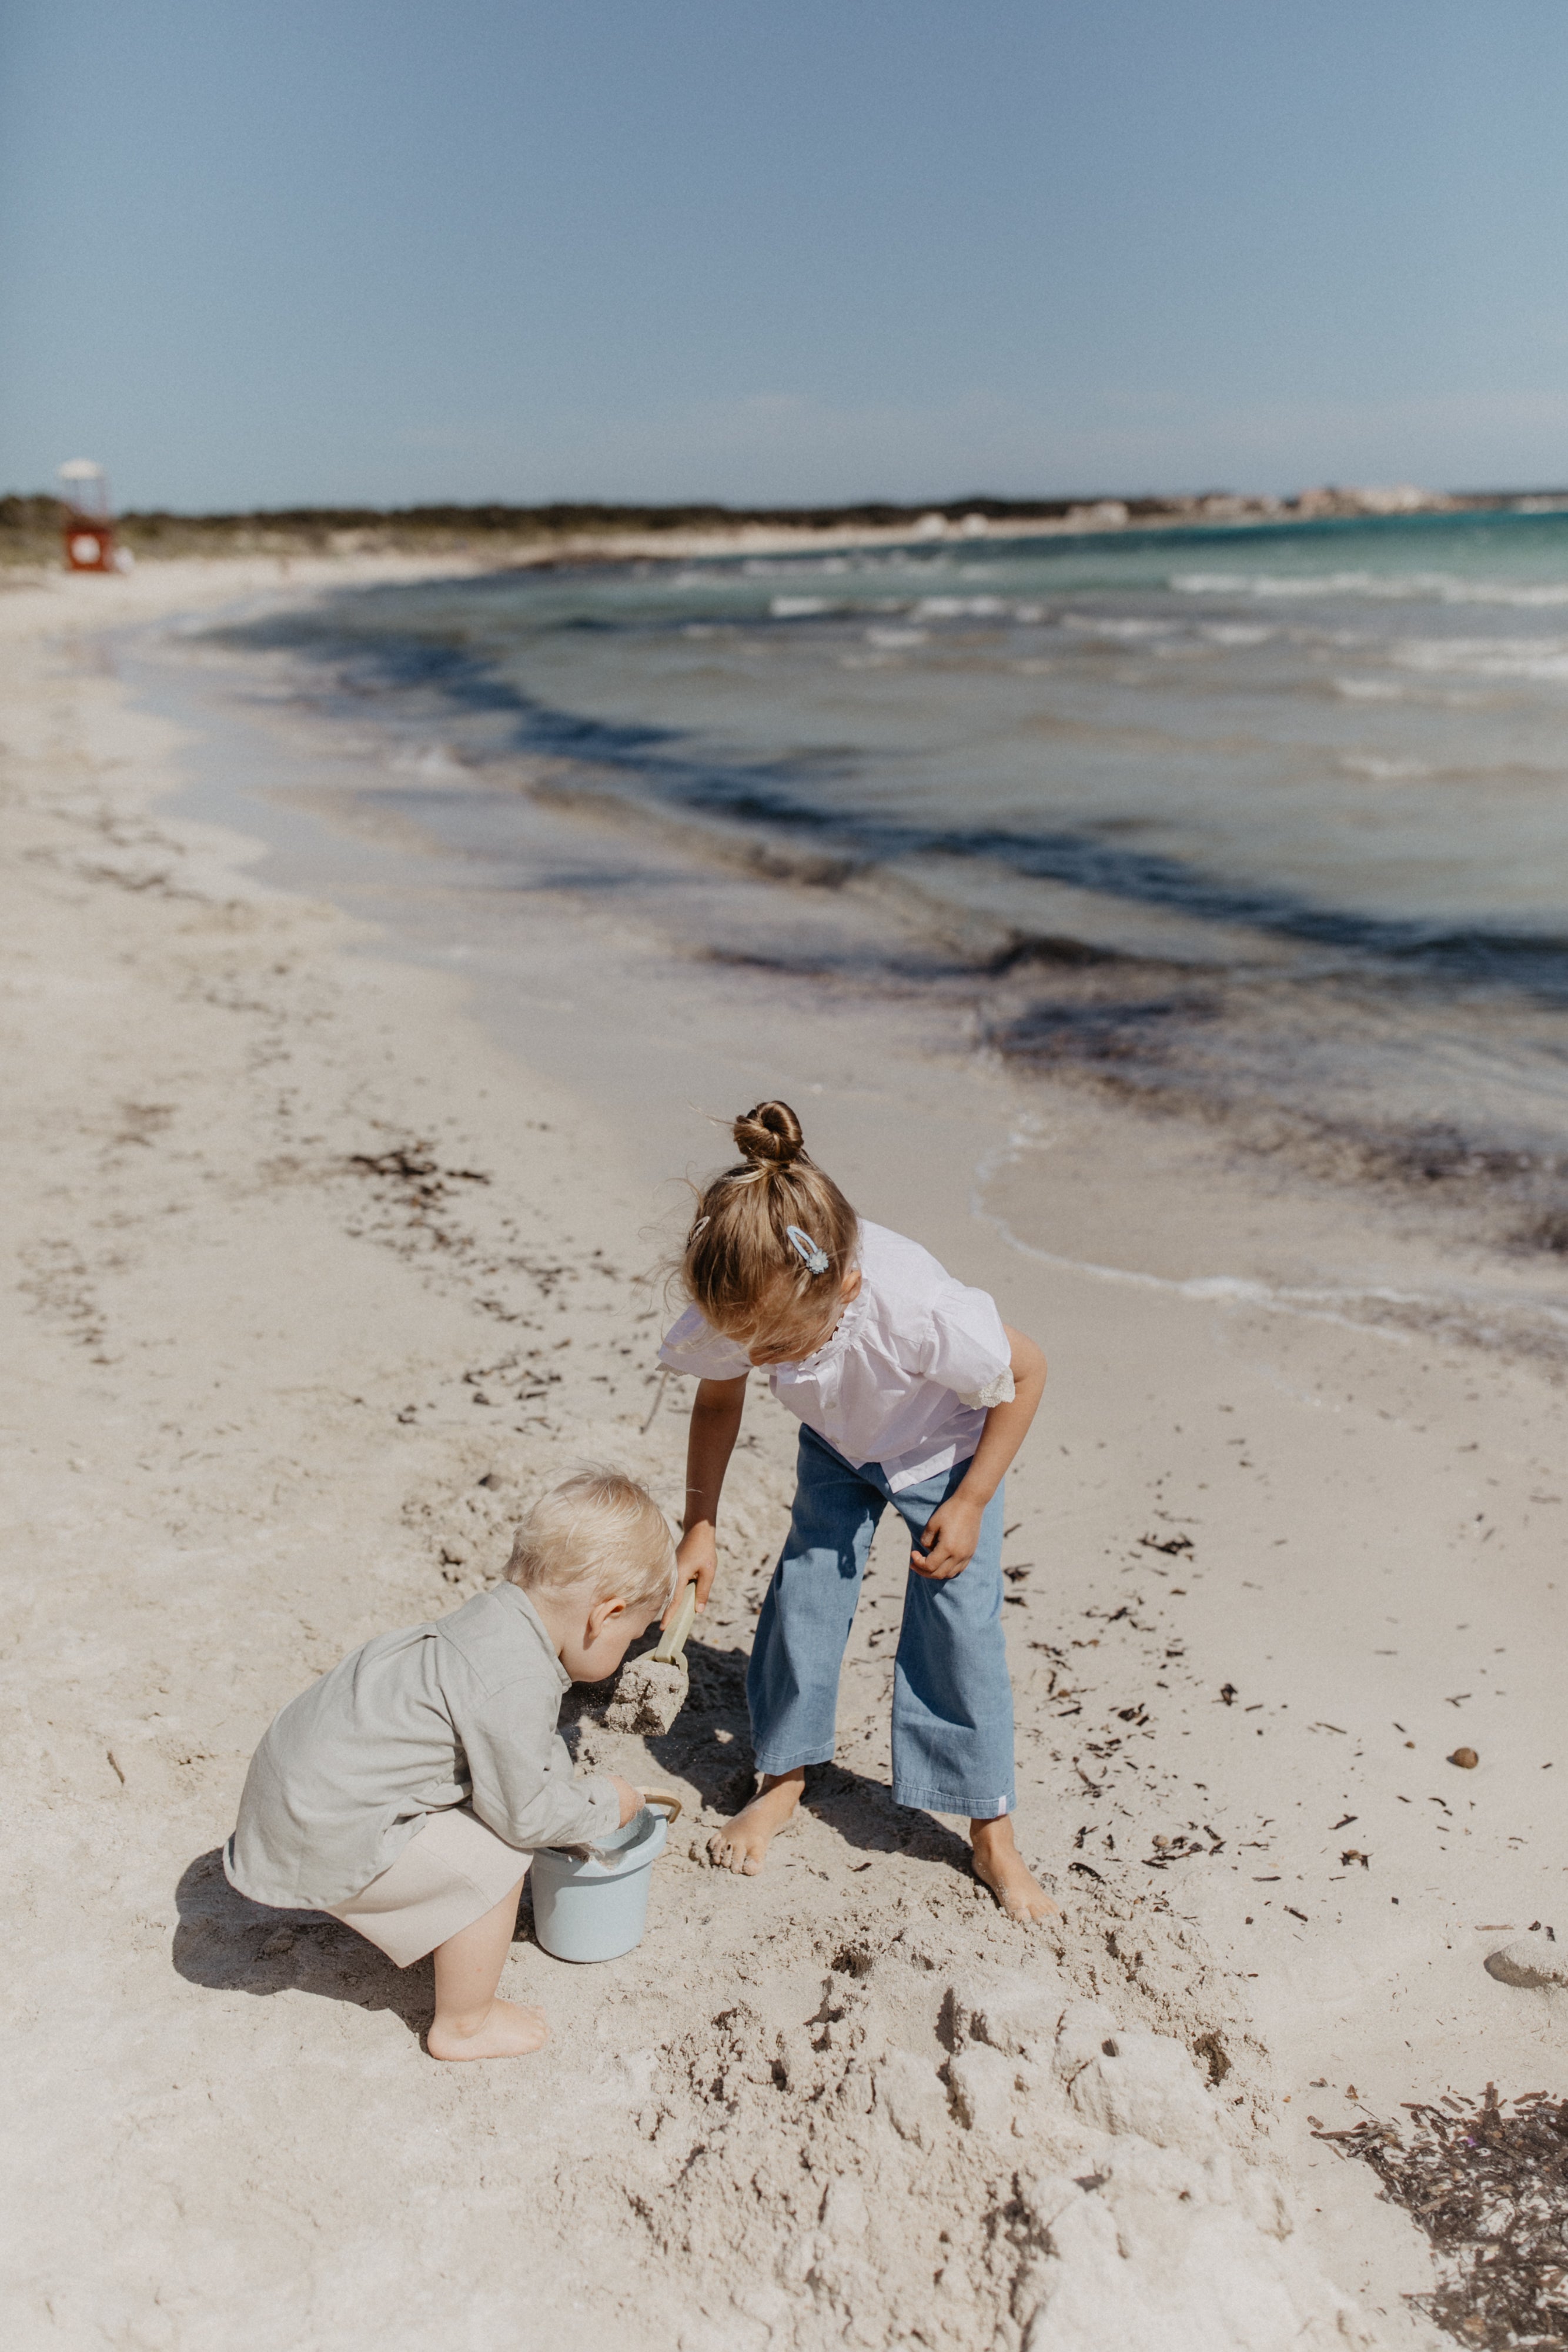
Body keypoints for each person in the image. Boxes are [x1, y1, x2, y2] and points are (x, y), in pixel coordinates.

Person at [658, 1101, 1057, 1922]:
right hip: (839, 1444)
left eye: (776, 1349)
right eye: (750, 1346)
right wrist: (699, 1524)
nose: (757, 1362)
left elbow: (1027, 1372)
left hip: (945, 1450)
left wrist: (973, 1499)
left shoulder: (913, 1308)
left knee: (957, 1622)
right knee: (805, 1590)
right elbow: (714, 1407)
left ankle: (989, 1827)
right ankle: (784, 1773)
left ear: (845, 1289)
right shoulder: (753, 1282)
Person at [223, 1468, 671, 2060]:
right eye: (631, 1637)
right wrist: (604, 1804)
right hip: (317, 1833)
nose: (624, 1656)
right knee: (501, 1852)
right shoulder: (517, 1679)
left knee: (492, 1813)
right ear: (605, 1614)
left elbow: (511, 1747)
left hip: (291, 1801)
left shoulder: (492, 1623)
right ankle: (465, 2023)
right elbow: (527, 1816)